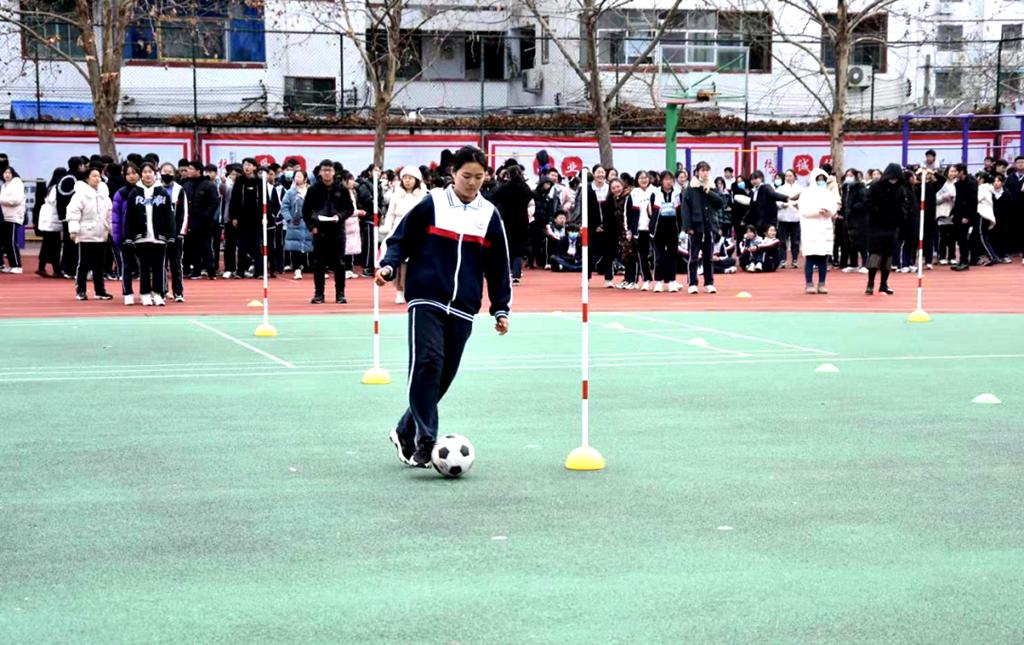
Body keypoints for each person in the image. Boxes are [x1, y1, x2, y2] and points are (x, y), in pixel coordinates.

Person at [375, 145, 511, 468]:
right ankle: (425, 439)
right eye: (467, 176)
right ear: (453, 173)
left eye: (479, 177)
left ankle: (403, 430)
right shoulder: (432, 204)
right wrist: (389, 265)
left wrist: (500, 308)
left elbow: (498, 265)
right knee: (428, 363)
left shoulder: (489, 215)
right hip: (426, 297)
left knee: (444, 375)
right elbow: (400, 239)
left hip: (464, 306)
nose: (473, 183)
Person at [125, 162, 175, 306]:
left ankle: (158, 293)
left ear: (155, 173)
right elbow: (129, 217)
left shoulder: (162, 193)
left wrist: (171, 235)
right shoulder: (134, 193)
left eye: (150, 171)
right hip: (142, 238)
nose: (147, 174)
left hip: (159, 238)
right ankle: (145, 293)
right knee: (145, 268)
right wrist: (129, 237)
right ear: (141, 174)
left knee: (159, 267)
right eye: (145, 172)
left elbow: (169, 216)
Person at [303, 159, 350, 304]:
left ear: (334, 172)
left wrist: (340, 216)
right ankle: (319, 294)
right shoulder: (313, 189)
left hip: (337, 230)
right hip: (320, 230)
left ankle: (340, 294)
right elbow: (305, 211)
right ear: (320, 172)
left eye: (329, 170)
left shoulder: (342, 188)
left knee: (340, 263)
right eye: (324, 170)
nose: (327, 173)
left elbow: (350, 209)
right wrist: (312, 226)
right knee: (318, 263)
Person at [66, 164, 114, 300]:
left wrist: (112, 230)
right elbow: (73, 213)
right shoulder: (80, 195)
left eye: (99, 176)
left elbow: (110, 214)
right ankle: (80, 290)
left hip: (101, 234)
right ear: (87, 178)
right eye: (94, 176)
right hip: (86, 233)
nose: (97, 179)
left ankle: (100, 291)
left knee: (100, 265)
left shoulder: (105, 195)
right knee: (84, 264)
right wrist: (73, 230)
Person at [382, 165, 427, 303]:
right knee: (399, 263)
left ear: (417, 180)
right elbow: (390, 213)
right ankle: (399, 291)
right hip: (398, 229)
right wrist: (387, 227)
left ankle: (412, 290)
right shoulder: (396, 195)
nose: (407, 181)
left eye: (410, 178)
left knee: (414, 264)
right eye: (405, 178)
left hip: (416, 232)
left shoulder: (423, 196)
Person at [680, 161, 724, 294]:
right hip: (695, 227)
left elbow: (720, 203)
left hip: (709, 227)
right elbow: (685, 209)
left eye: (707, 170)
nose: (705, 173)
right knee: (693, 256)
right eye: (702, 170)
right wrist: (687, 226)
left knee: (708, 256)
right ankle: (692, 282)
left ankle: (709, 282)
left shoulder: (711, 186)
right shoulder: (690, 189)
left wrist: (709, 192)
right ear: (697, 172)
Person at [865, 163, 908, 294]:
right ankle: (870, 282)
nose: (894, 180)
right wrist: (876, 212)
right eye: (892, 177)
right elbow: (868, 203)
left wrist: (902, 214)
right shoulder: (876, 187)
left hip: (892, 227)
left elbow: (904, 204)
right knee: (875, 255)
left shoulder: (900, 189)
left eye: (896, 178)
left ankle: (883, 284)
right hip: (877, 227)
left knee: (888, 257)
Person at [490, 164, 533, 285]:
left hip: (507, 220)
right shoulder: (524, 187)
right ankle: (516, 275)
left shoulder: (504, 188)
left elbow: (493, 197)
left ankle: (508, 272)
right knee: (519, 249)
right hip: (521, 221)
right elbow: (531, 197)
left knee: (508, 247)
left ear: (508, 175)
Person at [798, 168, 838, 294]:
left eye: (823, 179)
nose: (821, 182)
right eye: (819, 179)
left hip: (825, 227)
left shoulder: (828, 194)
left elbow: (834, 208)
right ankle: (809, 283)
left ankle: (822, 284)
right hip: (811, 228)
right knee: (810, 257)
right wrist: (817, 211)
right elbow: (804, 210)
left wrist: (829, 212)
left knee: (823, 258)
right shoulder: (806, 194)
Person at [182, 160, 220, 280]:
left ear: (198, 171)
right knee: (192, 247)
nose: (188, 171)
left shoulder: (208, 185)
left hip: (205, 222)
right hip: (190, 221)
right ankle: (196, 271)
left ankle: (211, 271)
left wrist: (206, 216)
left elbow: (214, 203)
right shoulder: (186, 185)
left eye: (191, 168)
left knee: (206, 246)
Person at [110, 163, 140, 304]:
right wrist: (117, 237)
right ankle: (127, 293)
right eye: (128, 174)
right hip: (125, 236)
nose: (131, 176)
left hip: (143, 236)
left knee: (145, 266)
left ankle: (147, 292)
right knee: (126, 266)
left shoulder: (145, 192)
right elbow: (115, 218)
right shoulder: (120, 193)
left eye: (134, 173)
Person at [650, 170, 682, 292]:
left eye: (670, 179)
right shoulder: (655, 193)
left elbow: (680, 212)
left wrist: (682, 228)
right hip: (659, 227)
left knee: (672, 255)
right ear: (661, 181)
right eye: (666, 179)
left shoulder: (678, 193)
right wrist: (653, 226)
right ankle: (658, 281)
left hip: (673, 227)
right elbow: (650, 211)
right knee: (659, 256)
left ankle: (672, 281)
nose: (668, 182)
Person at [624, 170, 655, 290]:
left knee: (659, 255)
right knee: (643, 256)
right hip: (640, 230)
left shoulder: (655, 191)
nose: (644, 180)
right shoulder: (633, 194)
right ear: (637, 180)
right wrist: (629, 230)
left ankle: (662, 280)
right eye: (641, 178)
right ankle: (646, 279)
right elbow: (628, 214)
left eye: (646, 177)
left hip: (654, 229)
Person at [280, 169, 313, 281]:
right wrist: (289, 219)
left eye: (299, 176)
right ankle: (297, 269)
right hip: (296, 223)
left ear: (305, 178)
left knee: (312, 246)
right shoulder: (290, 192)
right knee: (295, 247)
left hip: (309, 222)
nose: (297, 178)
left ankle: (314, 268)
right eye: (296, 176)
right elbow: (284, 207)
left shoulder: (311, 190)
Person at [35, 168, 64, 277]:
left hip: (47, 220)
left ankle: (42, 267)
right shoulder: (57, 188)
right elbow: (56, 202)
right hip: (53, 220)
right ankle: (56, 269)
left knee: (47, 245)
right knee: (55, 246)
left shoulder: (50, 187)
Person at [950, 164, 977, 271]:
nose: (954, 174)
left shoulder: (971, 184)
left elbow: (973, 202)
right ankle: (961, 260)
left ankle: (965, 261)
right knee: (959, 239)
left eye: (956, 171)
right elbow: (958, 201)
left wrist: (967, 216)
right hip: (957, 215)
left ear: (962, 172)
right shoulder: (957, 184)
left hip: (967, 216)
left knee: (964, 239)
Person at [0, 165, 26, 273]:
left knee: (11, 242)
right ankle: (11, 265)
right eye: (5, 173)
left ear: (13, 174)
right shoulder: (4, 185)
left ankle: (17, 265)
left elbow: (15, 200)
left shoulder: (17, 183)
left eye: (9, 173)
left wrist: (0, 199)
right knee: (6, 243)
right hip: (4, 217)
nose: (7, 175)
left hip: (13, 217)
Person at [775, 169, 802, 268]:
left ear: (794, 177)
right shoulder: (780, 189)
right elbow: (775, 201)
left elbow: (804, 201)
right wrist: (782, 205)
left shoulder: (800, 189)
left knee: (795, 241)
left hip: (796, 218)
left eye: (790, 176)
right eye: (786, 176)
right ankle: (783, 260)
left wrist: (797, 204)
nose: (788, 178)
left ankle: (794, 259)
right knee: (782, 241)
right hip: (783, 217)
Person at [934, 166, 957, 265]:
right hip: (942, 212)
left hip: (953, 212)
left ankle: (952, 256)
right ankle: (942, 256)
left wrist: (954, 198)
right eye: (951, 171)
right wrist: (944, 197)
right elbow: (936, 199)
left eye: (954, 171)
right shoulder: (942, 184)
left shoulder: (957, 184)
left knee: (952, 236)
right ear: (946, 172)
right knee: (943, 235)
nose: (952, 173)